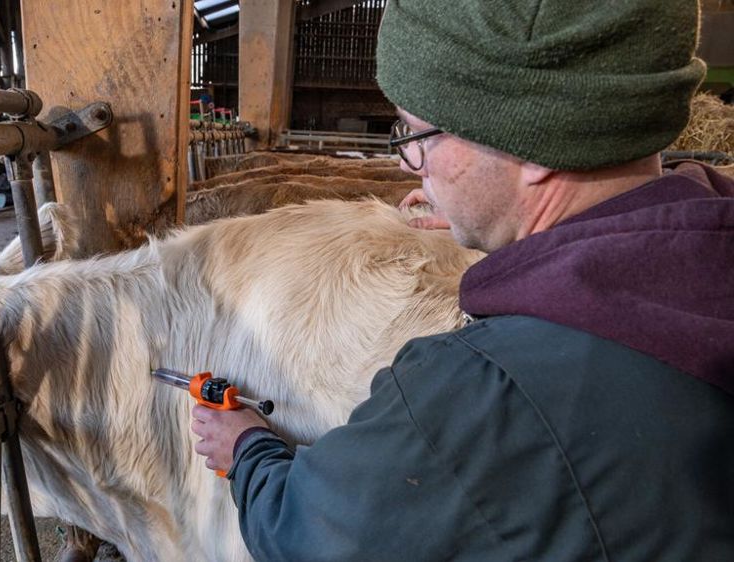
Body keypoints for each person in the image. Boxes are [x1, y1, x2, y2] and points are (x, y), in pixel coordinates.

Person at [191, 0, 734, 560]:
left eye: (419, 135)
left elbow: (308, 535)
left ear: (529, 141)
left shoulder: (480, 396)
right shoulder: (707, 266)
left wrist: (248, 450)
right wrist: (495, 210)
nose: (409, 164)